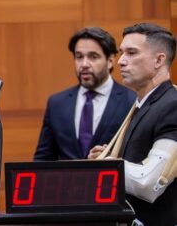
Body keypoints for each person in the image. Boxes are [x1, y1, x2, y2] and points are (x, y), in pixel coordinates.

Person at [90, 23, 177, 226]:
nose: (121, 61)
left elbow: (150, 183)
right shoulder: (143, 105)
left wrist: (107, 166)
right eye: (122, 53)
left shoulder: (172, 105)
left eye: (131, 53)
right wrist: (109, 157)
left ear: (159, 60)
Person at [34, 27, 134, 160]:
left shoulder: (131, 101)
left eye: (93, 57)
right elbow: (43, 159)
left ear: (110, 60)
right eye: (79, 57)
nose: (84, 64)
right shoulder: (57, 103)